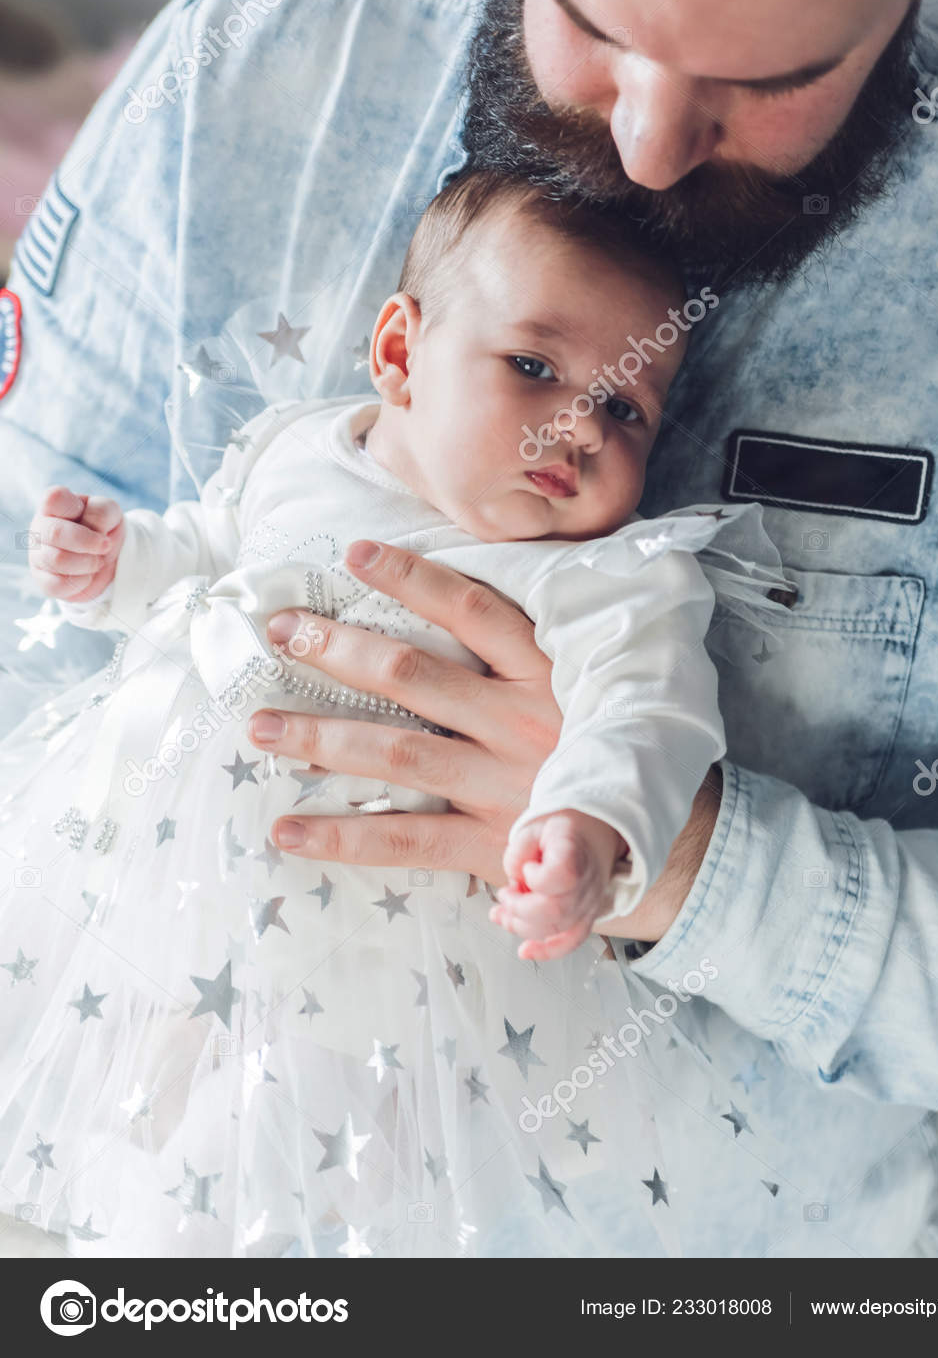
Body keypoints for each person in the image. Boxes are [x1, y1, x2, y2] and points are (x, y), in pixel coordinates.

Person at [2, 0, 938, 1258]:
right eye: (587, 16)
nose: (645, 141)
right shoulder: (244, 68)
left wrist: (696, 870)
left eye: (769, 79)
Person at [3, 170, 784, 1256]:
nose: (578, 426)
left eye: (624, 405)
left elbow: (646, 715)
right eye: (533, 367)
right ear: (401, 355)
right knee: (104, 1075)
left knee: (247, 1182)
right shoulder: (300, 445)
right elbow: (202, 563)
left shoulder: (605, 574)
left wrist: (595, 828)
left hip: (365, 953)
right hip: (163, 866)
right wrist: (112, 560)